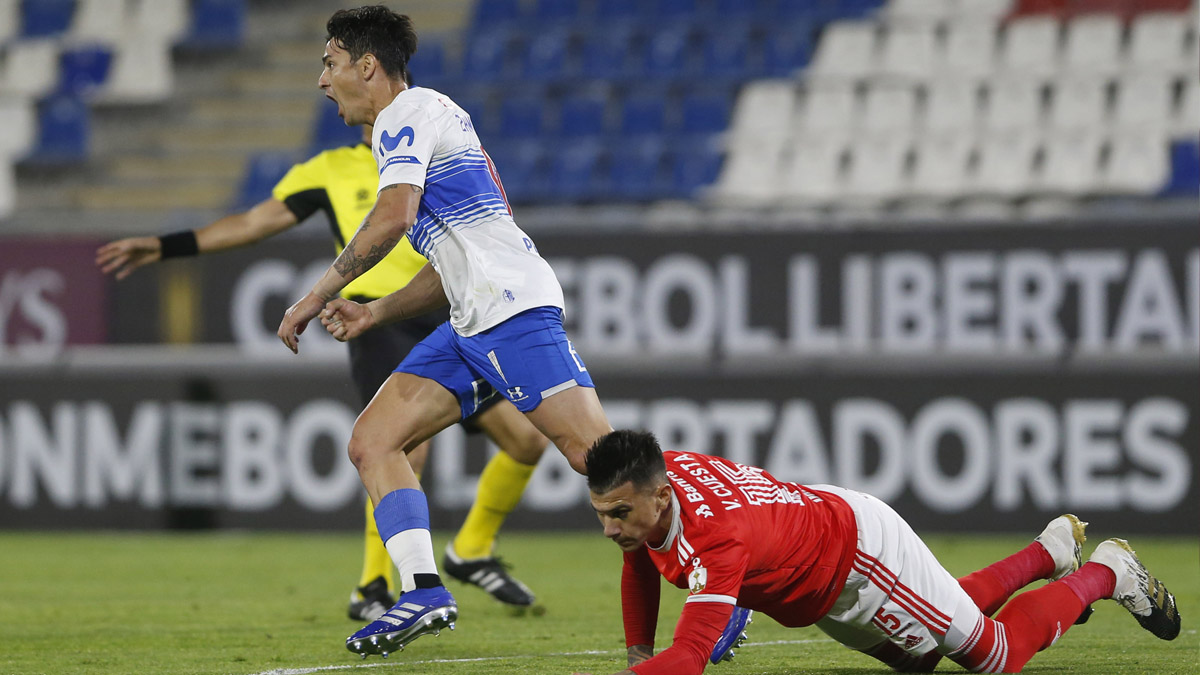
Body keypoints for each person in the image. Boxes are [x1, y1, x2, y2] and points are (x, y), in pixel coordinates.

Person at [94, 124, 550, 621]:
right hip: (378, 319)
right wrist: (168, 247)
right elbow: (253, 223)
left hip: (450, 310)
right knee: (403, 449)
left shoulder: (436, 155)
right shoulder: (330, 169)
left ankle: (472, 550)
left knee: (527, 441)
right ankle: (373, 583)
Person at [275, 5, 615, 659]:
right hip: (472, 316)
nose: (322, 81)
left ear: (365, 66)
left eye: (330, 62)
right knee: (374, 441)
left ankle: (726, 555)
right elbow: (451, 260)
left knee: (599, 459)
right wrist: (374, 312)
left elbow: (393, 218)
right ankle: (423, 588)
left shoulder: (407, 114)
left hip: (510, 310)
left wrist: (315, 295)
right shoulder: (415, 122)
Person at [578, 430, 1181, 674]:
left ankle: (1107, 569)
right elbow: (640, 561)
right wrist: (637, 654)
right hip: (817, 570)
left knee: (992, 656)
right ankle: (1047, 555)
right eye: (602, 513)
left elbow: (688, 659)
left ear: (660, 495)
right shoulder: (659, 484)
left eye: (620, 514)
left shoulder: (717, 537)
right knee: (922, 654)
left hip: (861, 554)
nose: (610, 529)